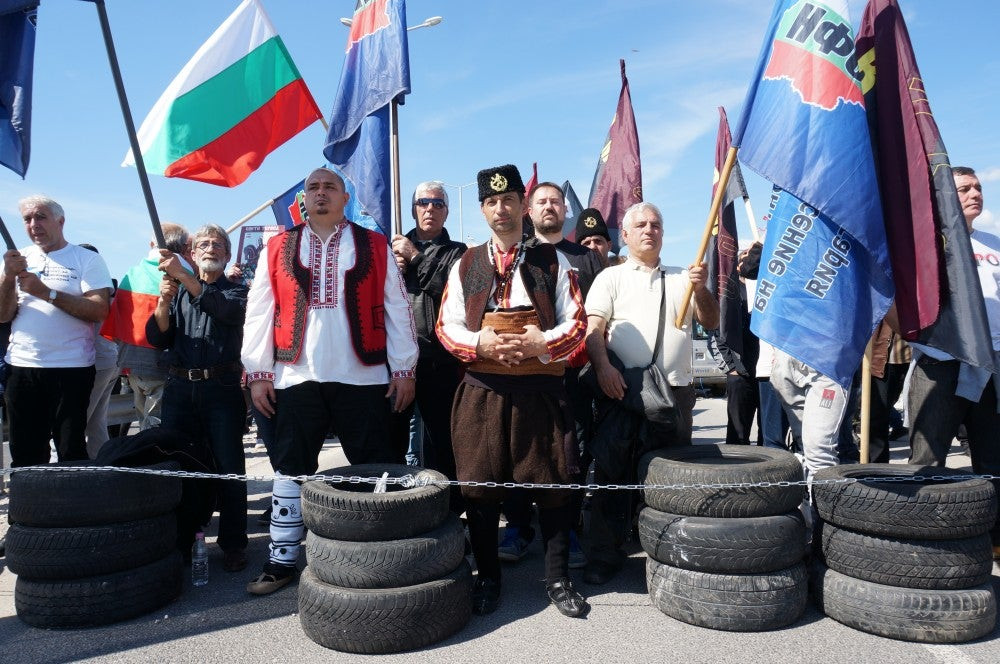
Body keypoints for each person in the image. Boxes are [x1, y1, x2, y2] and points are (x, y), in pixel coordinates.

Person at [242, 167, 418, 594]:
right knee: (290, 468)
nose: (320, 194)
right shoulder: (277, 245)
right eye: (313, 188)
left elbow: (397, 308)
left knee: (374, 467)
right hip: (295, 373)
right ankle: (281, 559)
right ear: (303, 200)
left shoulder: (374, 244)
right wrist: (258, 372)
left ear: (345, 199)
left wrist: (404, 368)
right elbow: (260, 312)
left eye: (330, 187)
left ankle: (380, 553)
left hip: (364, 373)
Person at [436, 164, 589, 618]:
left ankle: (559, 578)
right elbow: (447, 327)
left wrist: (541, 343)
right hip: (482, 393)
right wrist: (481, 342)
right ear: (483, 209)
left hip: (541, 392)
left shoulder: (552, 262)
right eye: (491, 202)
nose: (500, 210)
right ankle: (488, 578)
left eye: (508, 201)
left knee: (555, 485)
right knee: (480, 489)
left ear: (522, 205)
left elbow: (577, 323)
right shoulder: (465, 263)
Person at [583, 201, 718, 585]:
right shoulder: (611, 278)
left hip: (674, 395)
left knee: (667, 483)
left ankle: (666, 554)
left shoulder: (683, 277)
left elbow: (710, 320)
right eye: (640, 224)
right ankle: (605, 557)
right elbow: (594, 329)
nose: (649, 230)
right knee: (612, 477)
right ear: (624, 235)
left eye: (656, 224)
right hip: (622, 391)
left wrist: (701, 288)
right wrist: (604, 368)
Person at [498, 184, 603, 567]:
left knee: (568, 456)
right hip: (524, 372)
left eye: (555, 201)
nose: (549, 206)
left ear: (565, 210)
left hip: (573, 375)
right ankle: (519, 527)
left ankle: (568, 531)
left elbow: (596, 317)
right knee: (516, 450)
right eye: (541, 201)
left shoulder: (586, 259)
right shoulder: (515, 253)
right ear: (529, 208)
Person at [908, 166, 1000, 559]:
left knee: (992, 458)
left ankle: (992, 540)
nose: (975, 193)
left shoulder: (995, 243)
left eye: (978, 187)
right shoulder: (928, 244)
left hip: (991, 365)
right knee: (928, 458)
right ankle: (923, 541)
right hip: (942, 362)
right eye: (964, 189)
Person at [147, 224, 249, 573]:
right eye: (203, 244)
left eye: (217, 244)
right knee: (182, 468)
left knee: (229, 468)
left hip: (221, 390)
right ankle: (185, 539)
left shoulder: (238, 292)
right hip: (179, 390)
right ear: (192, 253)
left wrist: (183, 276)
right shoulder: (176, 292)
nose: (210, 248)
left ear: (227, 254)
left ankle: (234, 543)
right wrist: (163, 301)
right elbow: (157, 338)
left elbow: (223, 311)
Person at [0, 195, 113, 466]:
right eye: (27, 219)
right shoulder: (18, 260)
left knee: (70, 450)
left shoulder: (86, 259)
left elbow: (99, 310)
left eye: (40, 217)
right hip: (22, 367)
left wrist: (46, 293)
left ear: (60, 221)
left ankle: (70, 508)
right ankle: (28, 508)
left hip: (72, 368)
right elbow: (3, 315)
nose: (33, 224)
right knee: (25, 452)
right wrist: (7, 277)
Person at [389, 181, 467, 504]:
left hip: (442, 362)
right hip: (398, 362)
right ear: (413, 208)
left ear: (447, 212)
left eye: (437, 203)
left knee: (445, 444)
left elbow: (452, 288)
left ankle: (449, 514)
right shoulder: (393, 249)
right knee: (392, 443)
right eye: (423, 202)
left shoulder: (460, 252)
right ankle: (393, 509)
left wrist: (416, 258)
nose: (430, 209)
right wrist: (393, 268)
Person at [101, 223, 193, 432]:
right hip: (164, 363)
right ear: (184, 246)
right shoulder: (183, 274)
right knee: (158, 424)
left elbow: (116, 318)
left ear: (152, 243)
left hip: (132, 361)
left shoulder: (133, 273)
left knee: (145, 419)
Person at [78, 243, 119, 458]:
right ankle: (102, 465)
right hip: (111, 358)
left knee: (77, 421)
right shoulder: (110, 288)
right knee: (97, 422)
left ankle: (69, 468)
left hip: (96, 360)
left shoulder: (90, 291)